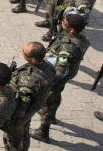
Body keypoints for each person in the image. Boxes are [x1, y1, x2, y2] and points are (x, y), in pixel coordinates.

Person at [0, 42, 55, 151]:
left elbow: (22, 103)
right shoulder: (48, 67)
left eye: (24, 53)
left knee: (13, 139)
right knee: (24, 133)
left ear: (32, 59)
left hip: (20, 114)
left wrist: (13, 121)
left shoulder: (28, 80)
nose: (22, 53)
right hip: (32, 109)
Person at [31, 12, 90, 142]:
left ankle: (43, 130)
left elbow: (60, 71)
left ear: (72, 29)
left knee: (50, 99)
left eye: (64, 23)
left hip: (56, 78)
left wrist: (47, 81)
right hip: (69, 72)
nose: (62, 23)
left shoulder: (67, 48)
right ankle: (51, 116)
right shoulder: (80, 38)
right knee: (54, 96)